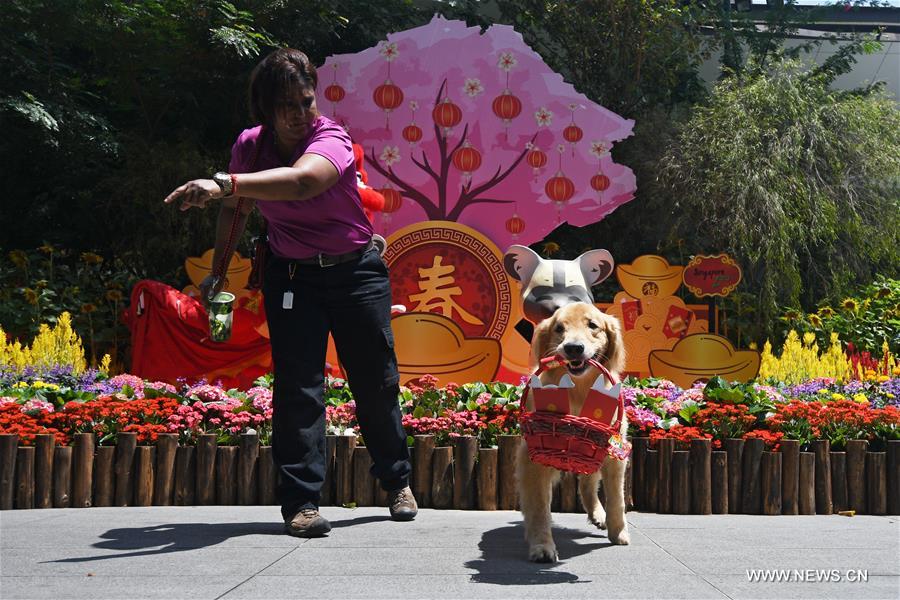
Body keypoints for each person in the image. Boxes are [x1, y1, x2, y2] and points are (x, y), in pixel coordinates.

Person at [164, 48, 416, 537]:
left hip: (356, 272)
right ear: (266, 108)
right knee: (298, 387)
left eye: (306, 101)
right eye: (287, 106)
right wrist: (218, 271)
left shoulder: (331, 137)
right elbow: (235, 208)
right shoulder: (250, 147)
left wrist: (224, 183)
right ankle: (301, 503)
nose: (300, 114)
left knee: (375, 381)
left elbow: (303, 182)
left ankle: (397, 481)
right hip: (293, 277)